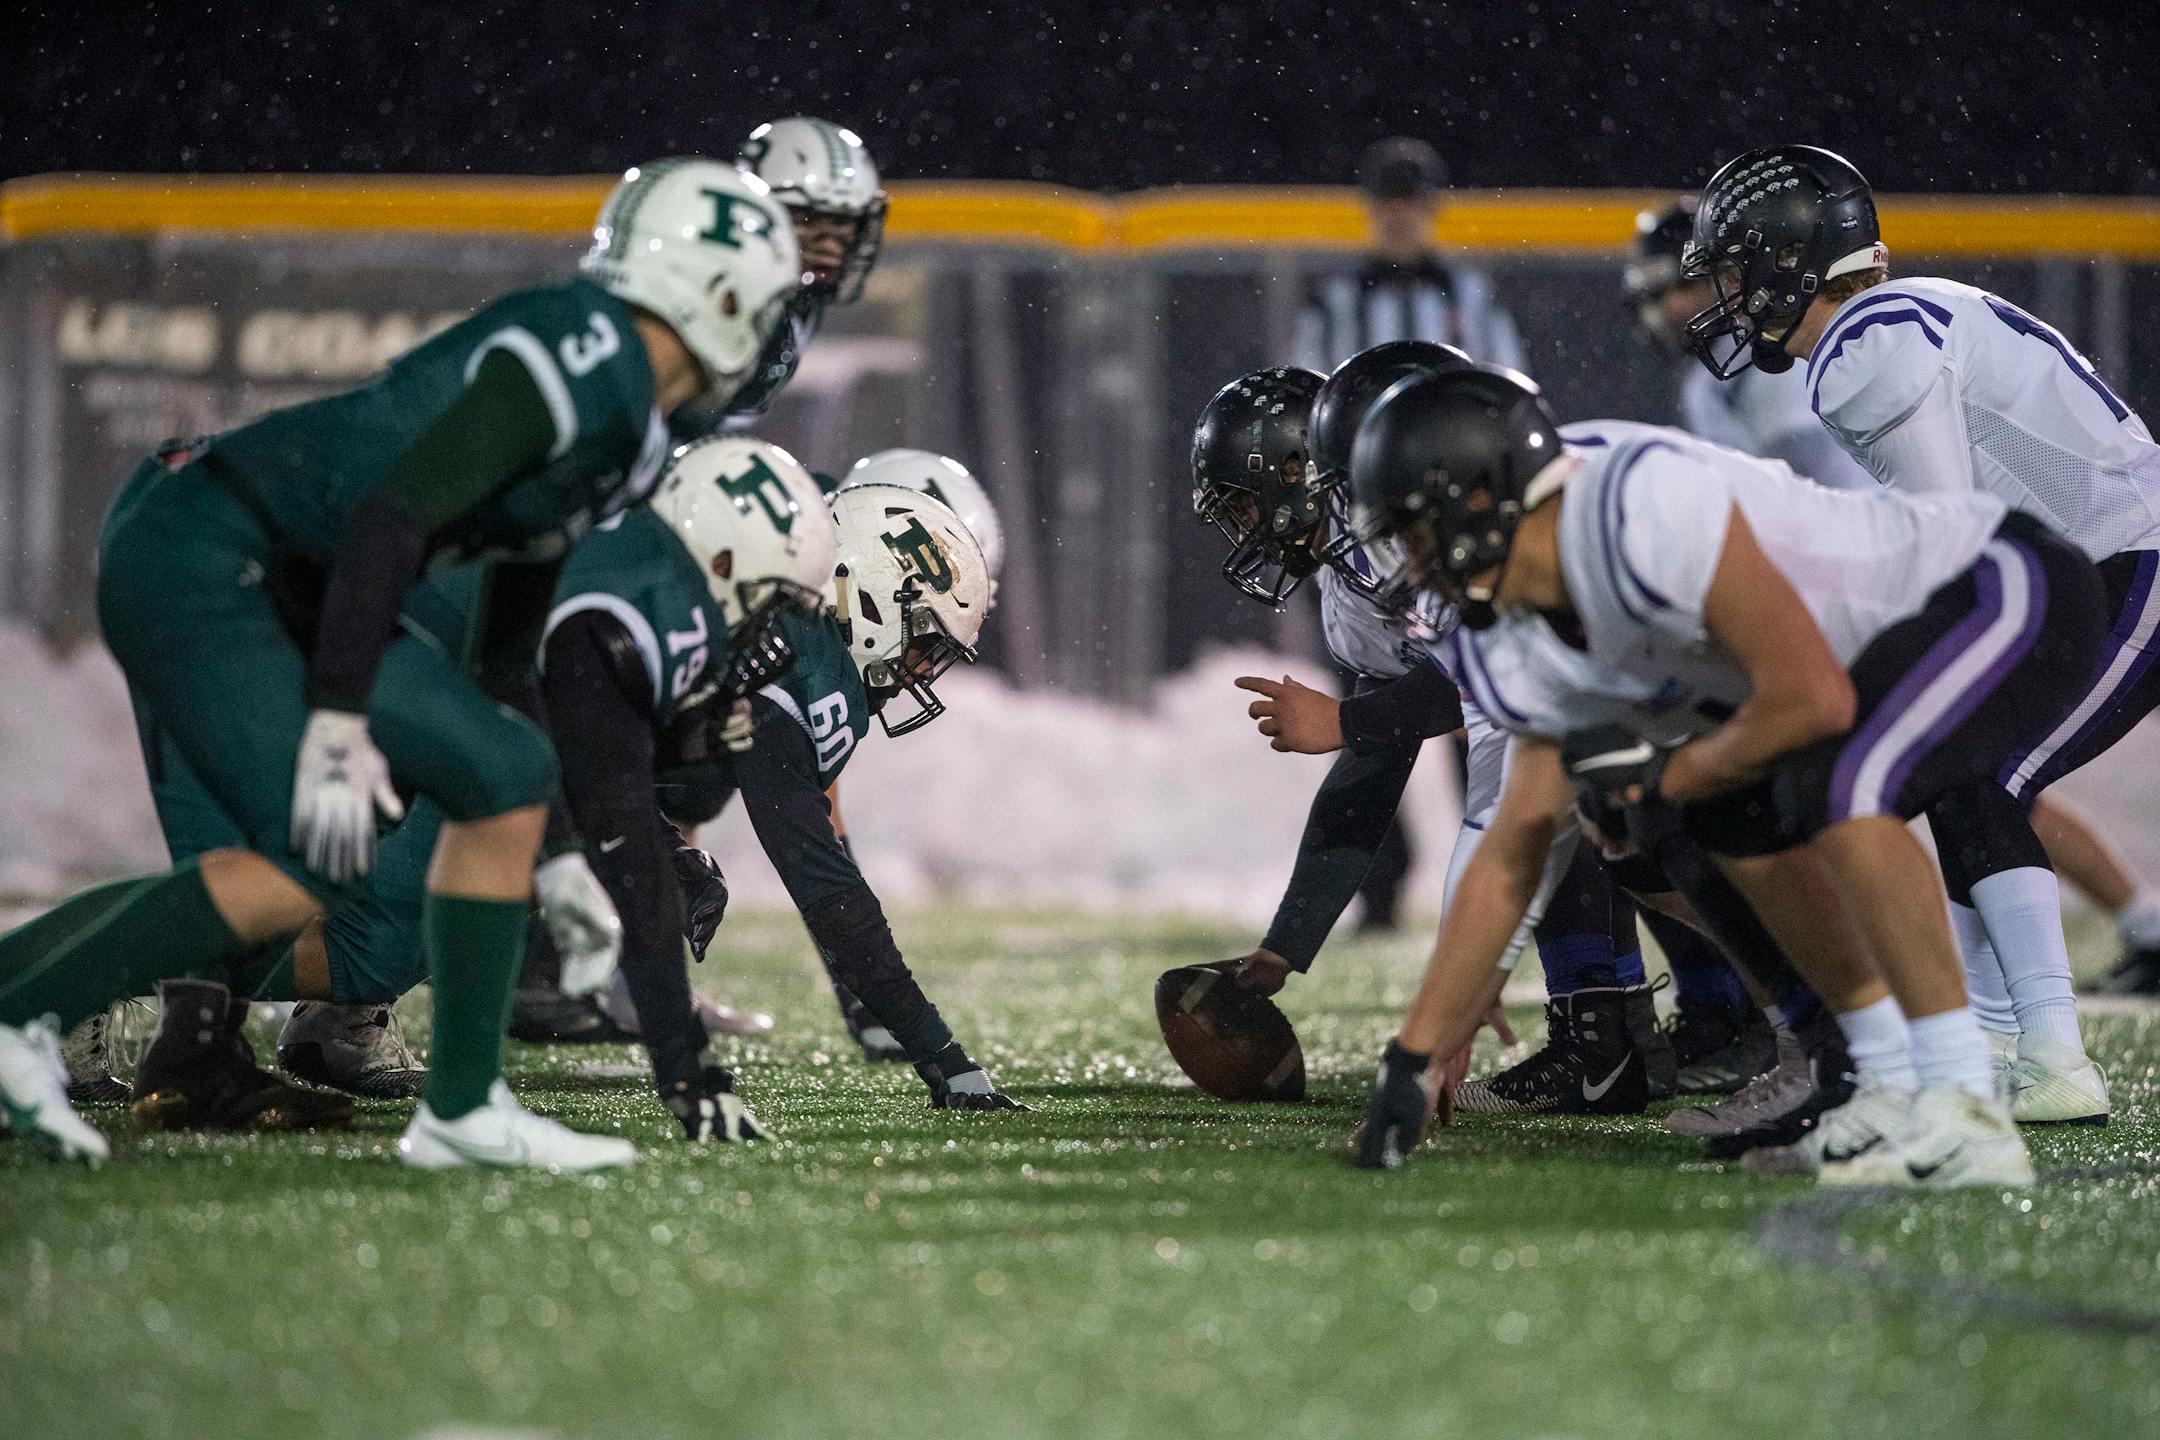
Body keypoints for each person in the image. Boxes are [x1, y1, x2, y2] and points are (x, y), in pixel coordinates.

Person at [0, 158, 803, 1169]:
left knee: (505, 768)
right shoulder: (582, 352)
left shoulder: (633, 428)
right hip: (213, 548)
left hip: (295, 578)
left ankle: (463, 1113)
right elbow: (393, 515)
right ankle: (16, 1009)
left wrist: (552, 856)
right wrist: (337, 726)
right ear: (719, 294)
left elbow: (508, 632)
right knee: (304, 862)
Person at [1348, 365, 2112, 1187]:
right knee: (1723, 821)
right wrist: (1415, 1054)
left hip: (1998, 581)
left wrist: (1668, 772)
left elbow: (1810, 700)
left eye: (1414, 530)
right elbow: (1516, 843)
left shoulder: (1633, 506)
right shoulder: (1507, 633)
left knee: (1834, 781)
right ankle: (1884, 1076)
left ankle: (1964, 1104)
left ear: (1476, 497)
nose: (1407, 562)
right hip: (1866, 663)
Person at [1683, 144, 2160, 1115]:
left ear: (1789, 262)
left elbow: (1950, 533)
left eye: (1737, 274)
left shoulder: (1867, 346)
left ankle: (2052, 1055)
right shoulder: (1896, 321)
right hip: (2096, 564)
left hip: (2129, 562)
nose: (1729, 302)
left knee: (1984, 773)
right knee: (1962, 770)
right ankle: (1990, 1041)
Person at [1194, 355, 1674, 1115]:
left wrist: (1346, 720)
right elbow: (1373, 770)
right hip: (1579, 689)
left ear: (1295, 465)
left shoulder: (1405, 523)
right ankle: (1620, 1032)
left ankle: (1644, 1031)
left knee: (1568, 811)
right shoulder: (1348, 594)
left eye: (1245, 507)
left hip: (1635, 661)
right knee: (1587, 813)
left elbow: (1494, 667)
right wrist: (1290, 941)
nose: (1244, 530)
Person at [1290, 137, 1528, 932]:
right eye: (1388, 201)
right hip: (1365, 528)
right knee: (1374, 701)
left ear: (1431, 210)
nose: (1399, 217)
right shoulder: (1332, 304)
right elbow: (1310, 414)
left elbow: (1511, 402)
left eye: (1411, 201)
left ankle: (1493, 867)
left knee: (1476, 706)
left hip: (1456, 526)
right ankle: (1380, 886)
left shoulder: (1472, 296)